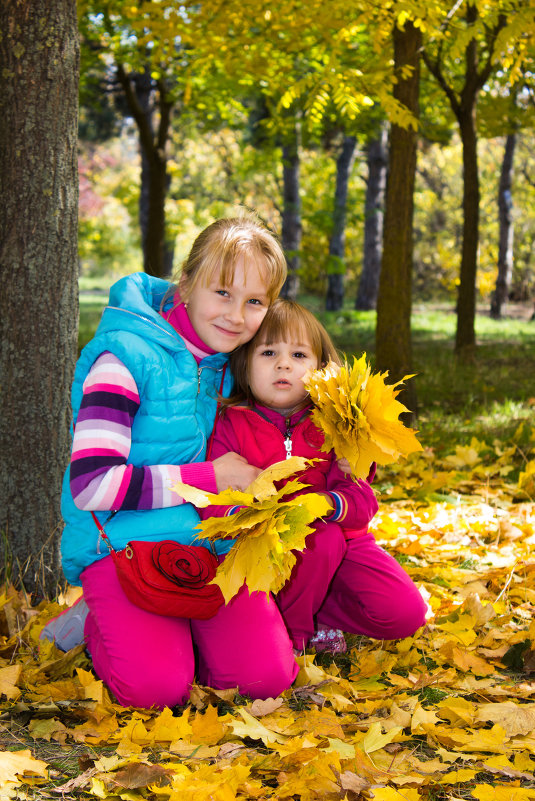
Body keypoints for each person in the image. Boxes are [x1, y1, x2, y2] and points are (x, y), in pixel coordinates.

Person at [41, 215, 303, 709]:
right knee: (156, 690)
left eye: (253, 301)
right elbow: (92, 485)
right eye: (222, 292)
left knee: (266, 678)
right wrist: (210, 478)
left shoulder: (231, 365)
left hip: (210, 544)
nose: (235, 315)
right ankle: (98, 621)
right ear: (186, 284)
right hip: (121, 546)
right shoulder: (123, 359)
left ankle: (179, 632)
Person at [199, 299, 427, 653]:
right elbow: (213, 502)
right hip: (263, 549)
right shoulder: (230, 423)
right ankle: (292, 637)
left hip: (341, 546)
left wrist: (329, 501)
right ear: (244, 363)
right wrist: (243, 518)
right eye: (269, 352)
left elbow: (363, 504)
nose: (283, 364)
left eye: (299, 356)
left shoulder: (336, 422)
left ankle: (319, 611)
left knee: (404, 613)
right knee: (322, 541)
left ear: (321, 367)